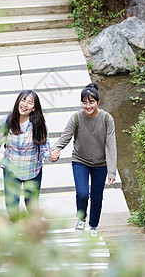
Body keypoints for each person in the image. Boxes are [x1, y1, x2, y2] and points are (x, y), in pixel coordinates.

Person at [50, 82, 117, 237]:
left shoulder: (107, 119)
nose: (88, 106)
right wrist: (56, 149)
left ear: (98, 102)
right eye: (84, 103)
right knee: (82, 194)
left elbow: (111, 146)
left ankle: (93, 226)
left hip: (100, 164)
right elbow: (64, 138)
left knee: (97, 197)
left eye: (91, 102)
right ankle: (81, 219)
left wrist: (112, 172)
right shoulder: (76, 118)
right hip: (80, 160)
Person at [0, 90, 52, 222]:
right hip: (11, 168)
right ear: (18, 101)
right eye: (23, 100)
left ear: (34, 108)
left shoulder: (39, 125)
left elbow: (44, 148)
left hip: (32, 170)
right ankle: (15, 228)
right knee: (11, 205)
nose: (25, 104)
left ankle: (33, 232)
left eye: (30, 102)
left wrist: (51, 156)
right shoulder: (7, 121)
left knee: (32, 205)